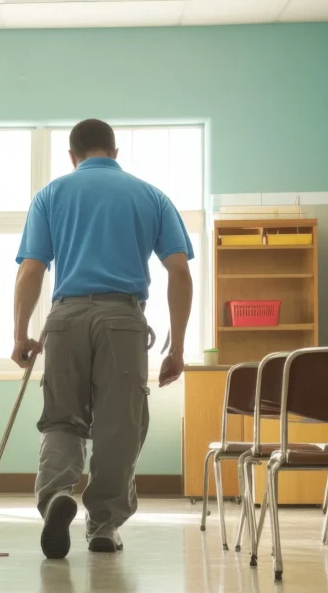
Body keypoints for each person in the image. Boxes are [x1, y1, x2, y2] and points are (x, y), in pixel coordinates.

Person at [12, 119, 194, 560]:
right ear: (115, 152)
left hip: (65, 318)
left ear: (72, 156)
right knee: (120, 425)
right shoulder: (149, 195)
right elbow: (180, 272)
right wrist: (178, 347)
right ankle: (104, 525)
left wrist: (21, 334)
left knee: (62, 418)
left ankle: (57, 495)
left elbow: (31, 270)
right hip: (122, 319)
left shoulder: (51, 195)